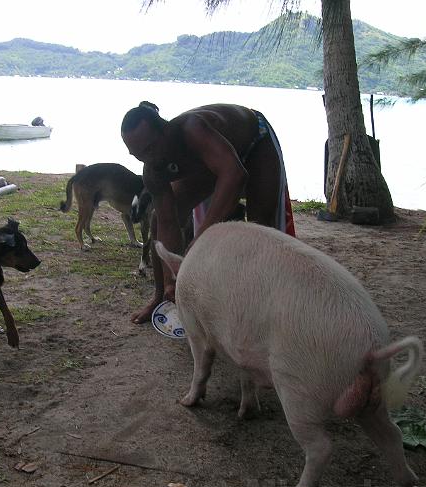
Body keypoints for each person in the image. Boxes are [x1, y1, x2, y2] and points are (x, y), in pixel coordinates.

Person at [121, 101, 295, 324]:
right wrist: (171, 280)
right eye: (138, 155)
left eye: (150, 149)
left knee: (259, 229)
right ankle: (158, 299)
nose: (148, 160)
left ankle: (264, 305)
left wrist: (201, 239)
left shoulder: (192, 129)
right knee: (157, 222)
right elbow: (168, 223)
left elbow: (234, 174)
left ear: (165, 130)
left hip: (254, 142)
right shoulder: (152, 170)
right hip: (211, 163)